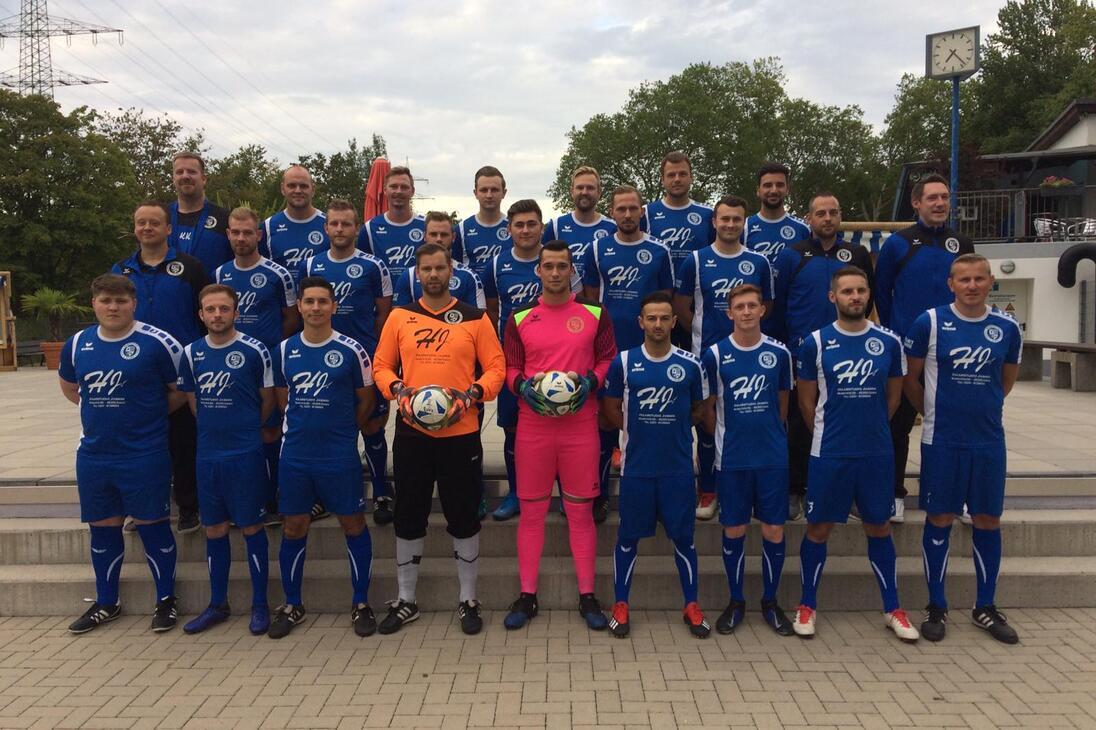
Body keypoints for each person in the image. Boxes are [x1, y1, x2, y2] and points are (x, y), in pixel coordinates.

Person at [372, 242, 506, 635]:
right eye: (426, 269)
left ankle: (467, 599)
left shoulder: (474, 318)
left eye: (439, 268)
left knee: (463, 515)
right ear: (416, 274)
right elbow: (381, 366)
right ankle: (406, 599)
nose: (433, 275)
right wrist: (398, 391)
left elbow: (496, 368)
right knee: (408, 514)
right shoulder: (400, 317)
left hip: (461, 435)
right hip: (413, 435)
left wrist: (473, 395)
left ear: (452, 271)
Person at [792, 266, 918, 642]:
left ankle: (892, 608)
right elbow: (806, 402)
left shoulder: (889, 342)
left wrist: (870, 431)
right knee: (818, 529)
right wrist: (832, 433)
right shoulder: (815, 342)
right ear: (833, 297)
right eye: (847, 291)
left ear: (868, 295)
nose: (855, 297)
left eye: (861, 290)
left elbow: (893, 398)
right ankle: (807, 604)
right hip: (829, 452)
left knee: (878, 526)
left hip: (875, 453)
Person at [903, 254, 1022, 644]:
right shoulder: (931, 322)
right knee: (939, 519)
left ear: (990, 282)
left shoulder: (1006, 328)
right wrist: (934, 412)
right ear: (951, 284)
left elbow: (1004, 382)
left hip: (988, 442)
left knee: (988, 520)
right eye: (964, 279)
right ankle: (936, 606)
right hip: (942, 442)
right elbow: (911, 379)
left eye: (979, 279)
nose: (972, 286)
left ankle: (984, 606)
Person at [59, 274, 185, 634]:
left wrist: (148, 415)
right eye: (105, 301)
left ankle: (165, 601)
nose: (113, 307)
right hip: (95, 455)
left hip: (144, 454)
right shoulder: (78, 342)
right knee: (102, 530)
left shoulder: (157, 342)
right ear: (93, 303)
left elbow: (179, 390)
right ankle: (106, 602)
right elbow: (70, 387)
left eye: (120, 301)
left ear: (134, 303)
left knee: (153, 527)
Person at [502, 240, 617, 630]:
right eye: (547, 266)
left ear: (572, 270)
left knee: (580, 513)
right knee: (532, 513)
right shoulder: (519, 318)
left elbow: (607, 358)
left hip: (580, 428)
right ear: (538, 270)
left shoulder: (594, 313)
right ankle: (527, 596)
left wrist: (591, 382)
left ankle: (588, 597)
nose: (554, 273)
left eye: (561, 266)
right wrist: (522, 388)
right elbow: (510, 368)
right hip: (533, 429)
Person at [268, 277, 377, 639]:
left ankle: (361, 603)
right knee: (294, 526)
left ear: (333, 306)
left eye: (322, 301)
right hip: (296, 455)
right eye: (309, 301)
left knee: (353, 524)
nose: (315, 308)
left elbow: (366, 399)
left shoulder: (352, 349)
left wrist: (346, 432)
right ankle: (292, 604)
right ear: (298, 306)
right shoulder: (283, 350)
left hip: (338, 456)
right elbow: (284, 397)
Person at [602, 291, 711, 638]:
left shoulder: (691, 365)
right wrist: (636, 433)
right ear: (641, 322)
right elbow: (611, 409)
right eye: (652, 318)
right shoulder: (624, 361)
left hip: (677, 469)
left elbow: (700, 410)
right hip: (637, 470)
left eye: (665, 318)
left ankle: (691, 604)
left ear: (674, 321)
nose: (659, 324)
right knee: (627, 538)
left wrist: (674, 429)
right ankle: (621, 603)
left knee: (684, 539)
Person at [876, 173, 976, 523]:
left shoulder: (961, 242)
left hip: (952, 350)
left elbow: (969, 292)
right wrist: (895, 335)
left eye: (944, 197)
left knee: (954, 425)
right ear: (916, 203)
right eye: (931, 197)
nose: (939, 203)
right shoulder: (897, 244)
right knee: (897, 424)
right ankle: (893, 494)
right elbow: (882, 293)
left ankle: (955, 496)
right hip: (907, 350)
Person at [177, 285, 275, 636]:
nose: (217, 315)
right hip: (208, 456)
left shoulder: (254, 350)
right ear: (201, 315)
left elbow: (267, 400)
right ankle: (218, 603)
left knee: (251, 527)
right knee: (214, 529)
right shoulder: (190, 353)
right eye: (210, 310)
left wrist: (245, 430)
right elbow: (193, 401)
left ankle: (260, 604)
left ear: (235, 312)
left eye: (224, 309)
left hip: (245, 454)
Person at [700, 284, 794, 636]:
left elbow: (782, 405)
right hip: (733, 458)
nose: (747, 312)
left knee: (773, 529)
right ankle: (736, 600)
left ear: (762, 310)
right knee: (734, 528)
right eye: (739, 306)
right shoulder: (714, 354)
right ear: (729, 312)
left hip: (771, 457)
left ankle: (770, 601)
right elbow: (709, 410)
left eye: (753, 305)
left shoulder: (779, 354)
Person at [773, 193, 873, 522]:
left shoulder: (856, 254)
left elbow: (866, 300)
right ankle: (795, 488)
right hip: (802, 351)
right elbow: (780, 304)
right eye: (821, 213)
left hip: (846, 354)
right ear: (809, 218)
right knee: (800, 423)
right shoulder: (793, 255)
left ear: (840, 216)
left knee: (849, 422)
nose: (827, 218)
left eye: (833, 212)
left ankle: (853, 490)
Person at [674, 194, 773, 520]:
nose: (730, 224)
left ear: (744, 224)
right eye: (725, 219)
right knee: (706, 422)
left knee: (747, 420)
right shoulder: (696, 261)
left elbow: (766, 307)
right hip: (706, 356)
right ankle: (708, 490)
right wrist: (705, 335)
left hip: (749, 356)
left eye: (737, 219)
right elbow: (682, 306)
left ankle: (747, 489)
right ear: (714, 222)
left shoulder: (758, 263)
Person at [112, 201, 210, 533]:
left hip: (181, 366)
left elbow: (207, 314)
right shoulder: (121, 271)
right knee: (140, 444)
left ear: (169, 229)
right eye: (141, 222)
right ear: (135, 228)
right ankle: (141, 507)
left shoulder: (191, 267)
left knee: (184, 440)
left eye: (155, 222)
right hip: (135, 368)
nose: (147, 227)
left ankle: (188, 507)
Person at [583, 185, 674, 522]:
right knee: (606, 423)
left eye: (633, 208)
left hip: (648, 352)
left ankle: (657, 497)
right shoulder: (597, 248)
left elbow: (665, 301)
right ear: (613, 211)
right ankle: (599, 494)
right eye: (620, 209)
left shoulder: (659, 250)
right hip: (608, 351)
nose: (627, 215)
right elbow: (591, 299)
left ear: (641, 211)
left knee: (651, 423)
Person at [301, 199, 394, 525]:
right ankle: (322, 496)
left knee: (371, 425)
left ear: (356, 228)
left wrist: (379, 352)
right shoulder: (312, 265)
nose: (339, 229)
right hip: (321, 361)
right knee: (326, 426)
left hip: (365, 357)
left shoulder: (373, 266)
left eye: (346, 224)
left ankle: (382, 490)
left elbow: (384, 312)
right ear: (325, 228)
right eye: (334, 224)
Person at [484, 200, 576, 521]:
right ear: (508, 229)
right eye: (519, 224)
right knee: (512, 427)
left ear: (542, 227)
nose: (525, 230)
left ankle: (567, 491)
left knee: (561, 423)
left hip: (558, 354)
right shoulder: (496, 266)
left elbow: (574, 305)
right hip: (516, 358)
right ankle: (516, 492)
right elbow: (492, 312)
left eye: (531, 224)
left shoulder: (556, 262)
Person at [215, 207, 297, 522]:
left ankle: (273, 497)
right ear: (228, 235)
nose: (241, 237)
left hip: (269, 364)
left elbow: (290, 317)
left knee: (270, 429)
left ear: (258, 235)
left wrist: (269, 350)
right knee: (238, 429)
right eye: (235, 232)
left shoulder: (278, 274)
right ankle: (243, 498)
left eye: (247, 232)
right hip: (230, 367)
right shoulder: (221, 274)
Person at [743, 162, 811, 343]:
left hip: (793, 314)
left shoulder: (802, 229)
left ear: (787, 189)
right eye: (767, 185)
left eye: (780, 185)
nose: (774, 190)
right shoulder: (745, 227)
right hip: (757, 315)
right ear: (758, 190)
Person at [394, 211, 486, 308]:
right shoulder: (408, 276)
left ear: (453, 237)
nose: (439, 239)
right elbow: (398, 317)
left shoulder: (469, 277)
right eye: (433, 234)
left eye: (444, 235)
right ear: (424, 236)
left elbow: (478, 319)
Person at [641, 152, 715, 271]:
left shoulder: (708, 213)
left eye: (682, 174)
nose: (677, 179)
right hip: (660, 288)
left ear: (691, 177)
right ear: (662, 180)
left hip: (696, 288)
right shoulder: (646, 213)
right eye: (671, 175)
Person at [260, 165, 329, 289]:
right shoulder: (268, 227)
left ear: (313, 189)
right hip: (282, 305)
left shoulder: (329, 224)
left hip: (318, 304)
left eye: (303, 186)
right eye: (292, 186)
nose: (298, 190)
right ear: (282, 189)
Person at [542, 165, 617, 279]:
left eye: (590, 188)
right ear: (572, 191)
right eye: (580, 187)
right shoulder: (556, 226)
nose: (584, 192)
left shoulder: (612, 227)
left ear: (599, 192)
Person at [358, 165, 426, 284]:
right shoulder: (370, 229)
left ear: (412, 191)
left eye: (404, 187)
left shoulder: (426, 225)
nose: (398, 191)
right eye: (394, 186)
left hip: (418, 299)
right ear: (385, 190)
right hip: (383, 300)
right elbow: (363, 269)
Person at [168, 151, 233, 276]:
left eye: (192, 172)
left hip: (211, 293)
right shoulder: (161, 218)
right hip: (169, 294)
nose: (185, 176)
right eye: (179, 172)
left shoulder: (225, 218)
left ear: (203, 179)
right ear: (173, 179)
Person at [455, 166, 510, 281]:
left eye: (494, 190)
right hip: (473, 295)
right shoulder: (461, 230)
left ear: (504, 193)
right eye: (484, 190)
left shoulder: (515, 227)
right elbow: (455, 268)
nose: (489, 195)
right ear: (475, 193)